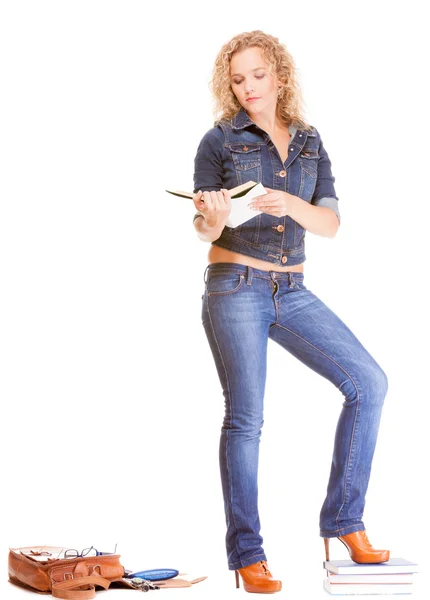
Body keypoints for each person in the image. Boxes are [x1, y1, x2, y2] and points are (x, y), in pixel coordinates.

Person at [191, 30, 390, 594]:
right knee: (246, 420)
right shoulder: (218, 141)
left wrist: (292, 204)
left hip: (292, 289)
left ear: (279, 75)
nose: (249, 87)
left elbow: (329, 224)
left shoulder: (308, 141)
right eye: (237, 79)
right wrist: (214, 212)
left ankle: (345, 522)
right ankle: (248, 556)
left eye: (258, 75)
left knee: (368, 383)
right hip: (234, 285)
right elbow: (204, 227)